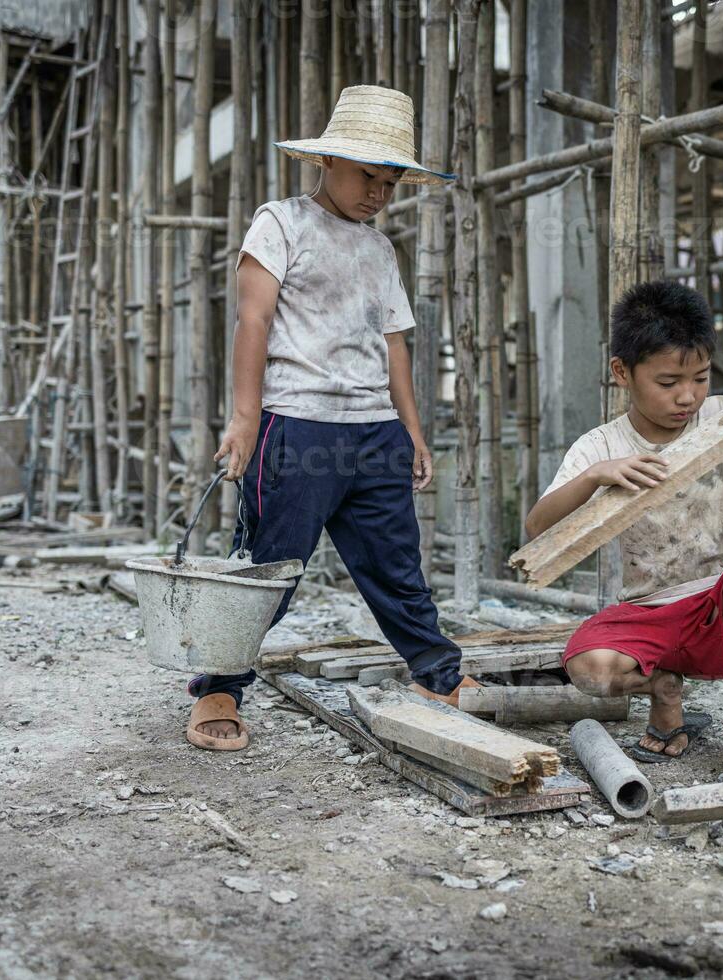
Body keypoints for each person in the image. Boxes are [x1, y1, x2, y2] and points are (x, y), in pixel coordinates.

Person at [187, 85, 479, 752]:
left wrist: (410, 429)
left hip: (374, 432)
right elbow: (253, 321)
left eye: (391, 181)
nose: (379, 192)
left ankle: (438, 674)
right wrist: (243, 418)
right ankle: (219, 687)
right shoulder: (280, 222)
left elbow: (394, 342)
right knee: (271, 567)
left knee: (396, 564)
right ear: (327, 162)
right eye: (367, 177)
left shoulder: (381, 251)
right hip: (296, 428)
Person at [523, 281, 723, 782]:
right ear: (622, 372)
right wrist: (595, 476)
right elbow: (538, 530)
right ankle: (664, 688)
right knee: (591, 670)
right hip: (649, 612)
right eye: (668, 382)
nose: (687, 396)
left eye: (701, 377)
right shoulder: (601, 445)